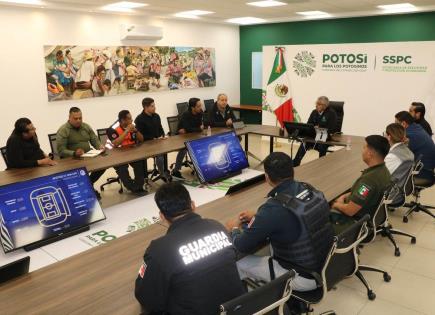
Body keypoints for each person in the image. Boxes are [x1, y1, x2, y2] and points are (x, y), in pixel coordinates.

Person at [225, 152, 334, 291]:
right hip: (327, 263)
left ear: (267, 177)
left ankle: (249, 305)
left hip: (303, 277)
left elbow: (241, 245)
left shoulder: (273, 209)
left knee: (238, 263)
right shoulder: (309, 189)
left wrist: (234, 228)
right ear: (292, 171)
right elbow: (290, 217)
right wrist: (259, 217)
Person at [135, 182, 245, 315]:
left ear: (162, 216)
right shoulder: (217, 226)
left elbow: (146, 297)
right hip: (237, 309)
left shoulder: (159, 250)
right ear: (193, 205)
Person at [330, 135, 391, 233]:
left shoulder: (369, 180)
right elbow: (360, 193)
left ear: (370, 153)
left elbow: (350, 210)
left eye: (364, 147)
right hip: (364, 214)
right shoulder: (383, 170)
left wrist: (336, 205)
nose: (362, 150)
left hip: (354, 222)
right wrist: (343, 196)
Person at [56, 107, 106, 199]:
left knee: (103, 165)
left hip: (87, 157)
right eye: (75, 118)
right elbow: (61, 151)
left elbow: (94, 139)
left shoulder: (86, 126)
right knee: (81, 171)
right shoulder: (63, 130)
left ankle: (87, 185)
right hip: (72, 160)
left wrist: (100, 146)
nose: (78, 120)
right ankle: (87, 188)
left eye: (80, 118)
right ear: (69, 117)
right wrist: (74, 153)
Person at [107, 110, 146, 195]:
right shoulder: (112, 129)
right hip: (117, 155)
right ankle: (132, 187)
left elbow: (142, 139)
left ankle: (139, 186)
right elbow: (116, 143)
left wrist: (136, 131)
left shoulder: (132, 126)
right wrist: (127, 131)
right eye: (129, 118)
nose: (132, 120)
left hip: (131, 153)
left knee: (139, 162)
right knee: (122, 168)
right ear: (123, 120)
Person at [292, 96, 337, 167]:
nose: (316, 105)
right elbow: (308, 125)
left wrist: (320, 128)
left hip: (325, 137)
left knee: (322, 145)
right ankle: (295, 163)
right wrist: (313, 128)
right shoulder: (314, 112)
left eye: (319, 104)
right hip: (314, 136)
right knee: (305, 142)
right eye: (316, 103)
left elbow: (332, 129)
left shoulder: (331, 114)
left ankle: (321, 165)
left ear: (325, 106)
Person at [134, 97, 170, 181]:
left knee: (165, 150)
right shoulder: (139, 119)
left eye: (154, 105)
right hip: (146, 145)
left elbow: (160, 128)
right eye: (152, 106)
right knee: (160, 155)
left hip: (158, 142)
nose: (155, 108)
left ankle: (166, 171)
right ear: (146, 108)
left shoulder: (156, 116)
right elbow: (140, 136)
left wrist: (163, 136)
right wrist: (153, 138)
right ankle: (162, 174)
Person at [395, 111, 435, 185]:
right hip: (427, 172)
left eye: (396, 124)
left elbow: (397, 155)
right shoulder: (417, 128)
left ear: (403, 124)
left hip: (422, 174)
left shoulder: (409, 135)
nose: (394, 127)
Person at [171, 97, 204, 180]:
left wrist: (197, 129)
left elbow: (199, 126)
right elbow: (187, 128)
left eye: (201, 105)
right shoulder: (186, 115)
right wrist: (198, 129)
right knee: (183, 149)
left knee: (203, 144)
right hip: (181, 137)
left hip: (193, 135)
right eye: (198, 106)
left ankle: (202, 166)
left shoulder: (200, 113)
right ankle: (176, 171)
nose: (201, 108)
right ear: (193, 107)